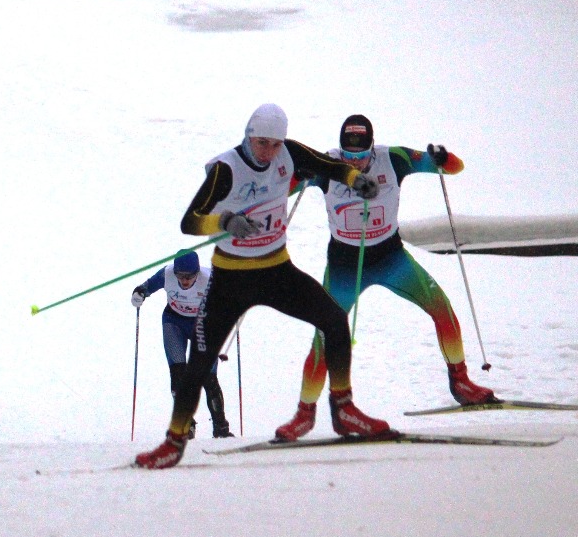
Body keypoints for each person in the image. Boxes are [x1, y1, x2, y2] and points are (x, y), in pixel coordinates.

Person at [135, 103, 391, 470]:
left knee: (335, 321)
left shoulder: (288, 153)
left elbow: (328, 165)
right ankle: (174, 442)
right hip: (230, 279)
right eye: (261, 142)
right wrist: (225, 220)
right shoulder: (226, 169)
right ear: (248, 136)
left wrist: (355, 180)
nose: (267, 151)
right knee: (199, 365)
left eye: (274, 143)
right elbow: (190, 222)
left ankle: (343, 409)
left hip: (276, 271)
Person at [273, 115, 497, 440]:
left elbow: (453, 168)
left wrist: (442, 158)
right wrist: (297, 177)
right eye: (348, 157)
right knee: (325, 338)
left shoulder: (394, 159)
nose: (355, 163)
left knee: (441, 307)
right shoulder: (327, 164)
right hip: (344, 268)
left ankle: (461, 381)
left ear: (371, 148)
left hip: (391, 258)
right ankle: (305, 415)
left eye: (361, 156)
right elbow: (281, 190)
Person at [131, 251, 233, 438]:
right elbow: (145, 287)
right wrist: (139, 294)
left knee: (208, 379)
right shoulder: (167, 273)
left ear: (197, 273)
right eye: (181, 276)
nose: (185, 281)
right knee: (178, 377)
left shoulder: (209, 278)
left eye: (190, 277)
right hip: (174, 323)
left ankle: (221, 429)